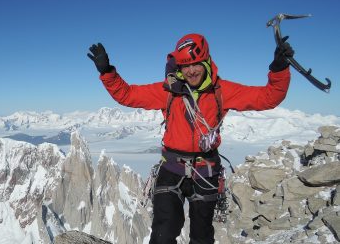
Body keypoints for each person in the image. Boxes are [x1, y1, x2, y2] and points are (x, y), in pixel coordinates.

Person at [86, 33, 292, 244]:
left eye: (196, 64)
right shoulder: (167, 91)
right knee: (162, 235)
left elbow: (268, 98)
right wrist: (107, 72)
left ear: (207, 62)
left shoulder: (222, 91)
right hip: (171, 169)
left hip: (206, 170)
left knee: (201, 237)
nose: (192, 71)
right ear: (178, 67)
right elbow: (128, 95)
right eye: (186, 66)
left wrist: (279, 69)